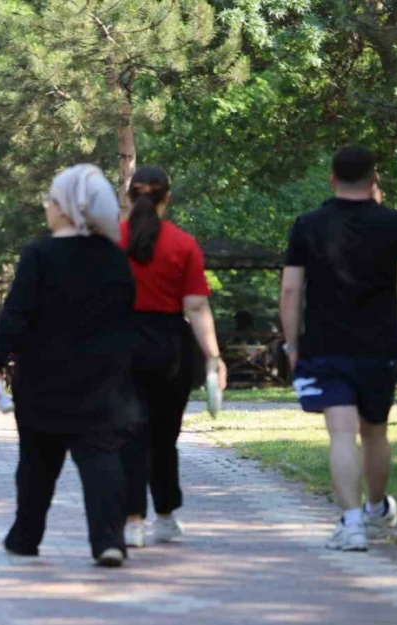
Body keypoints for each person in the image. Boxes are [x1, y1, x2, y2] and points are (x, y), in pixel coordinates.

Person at [0, 164, 137, 567]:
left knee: (36, 464)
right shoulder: (116, 260)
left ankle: (25, 537)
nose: (46, 205)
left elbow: (16, 314)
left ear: (67, 207)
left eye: (51, 199)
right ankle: (108, 540)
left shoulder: (39, 255)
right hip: (102, 382)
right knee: (102, 460)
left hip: (43, 381)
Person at [280, 145, 397, 551]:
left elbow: (291, 289)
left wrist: (292, 343)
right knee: (375, 432)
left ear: (332, 178)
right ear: (374, 179)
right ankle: (377, 510)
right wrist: (383, 210)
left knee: (340, 434)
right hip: (379, 345)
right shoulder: (393, 224)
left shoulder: (309, 225)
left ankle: (352, 523)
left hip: (326, 344)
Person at [117, 166, 226, 549]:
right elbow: (196, 307)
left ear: (129, 196)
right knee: (165, 436)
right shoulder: (183, 244)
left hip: (121, 344)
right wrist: (213, 357)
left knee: (128, 434)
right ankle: (164, 515)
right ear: (167, 198)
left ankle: (131, 521)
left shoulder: (111, 241)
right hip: (170, 347)